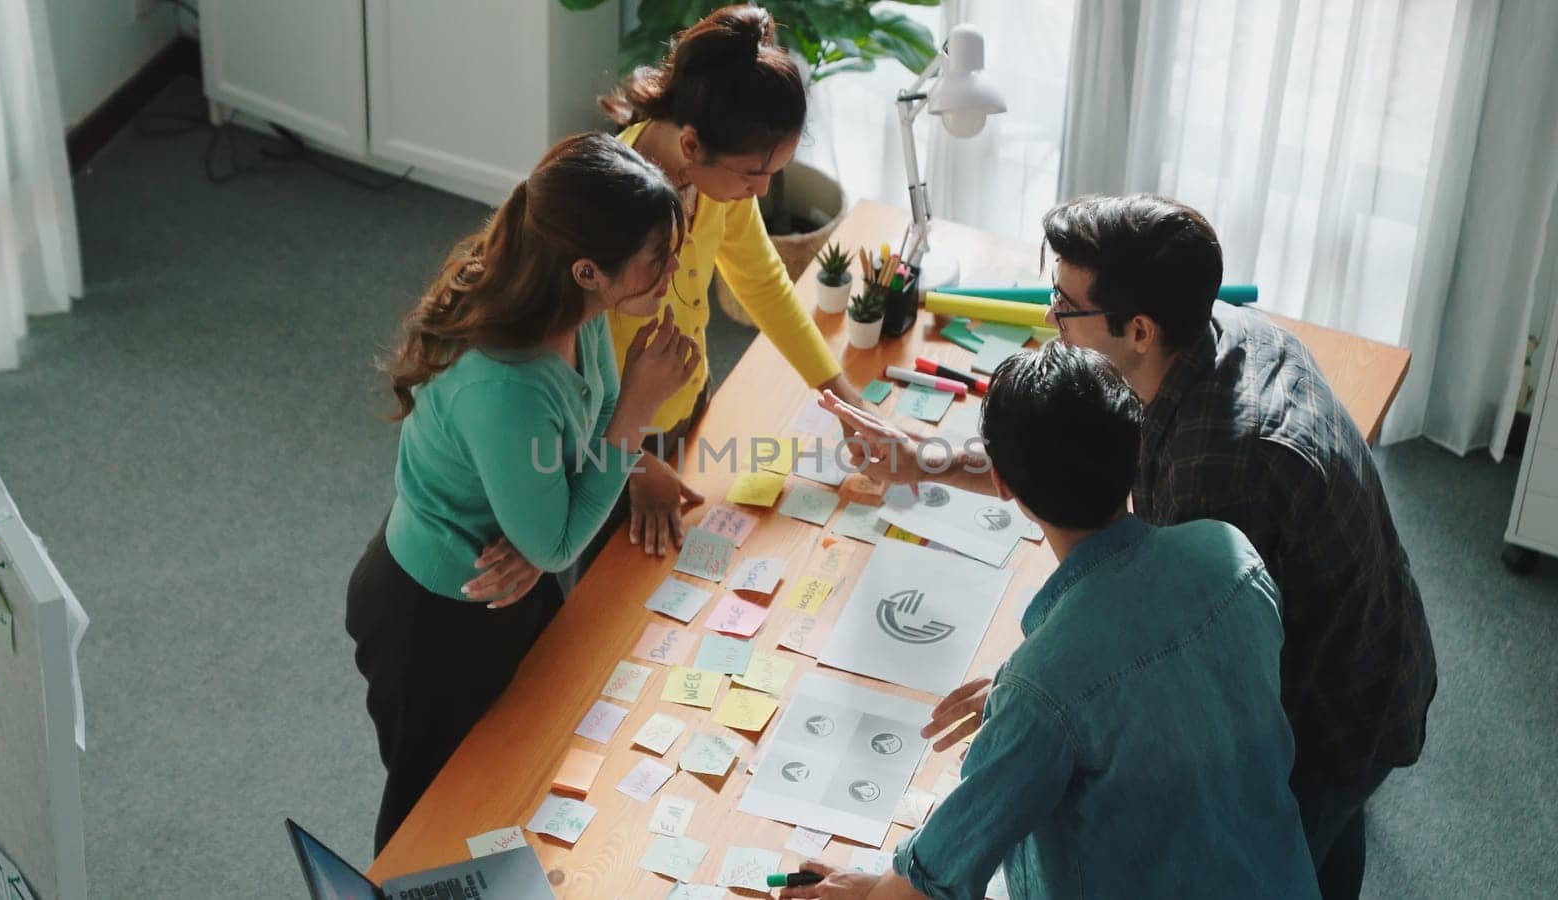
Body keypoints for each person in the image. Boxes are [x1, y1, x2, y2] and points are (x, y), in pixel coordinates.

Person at [820, 194, 1437, 900]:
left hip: (1333, 710)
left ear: (1137, 328)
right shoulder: (1208, 333)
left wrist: (1062, 689)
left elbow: (1154, 649)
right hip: (1350, 646)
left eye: (1064, 302)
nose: (1051, 317)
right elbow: (1088, 463)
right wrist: (922, 459)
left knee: (1291, 843)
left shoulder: (1218, 476)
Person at [783, 343, 1318, 900]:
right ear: (1137, 447)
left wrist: (870, 892)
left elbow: (932, 879)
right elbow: (1170, 688)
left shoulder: (1041, 692)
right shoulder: (1228, 552)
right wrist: (1049, 694)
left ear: (1003, 486)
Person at [344, 133, 700, 854]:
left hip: (505, 576)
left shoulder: (578, 312)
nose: (673, 270)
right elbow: (560, 537)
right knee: (429, 813)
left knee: (520, 768)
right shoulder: (506, 381)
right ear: (587, 270)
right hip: (435, 610)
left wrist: (556, 526)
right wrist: (637, 414)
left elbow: (582, 440)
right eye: (657, 258)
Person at [599, 4, 867, 556]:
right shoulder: (604, 205)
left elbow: (762, 279)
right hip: (607, 442)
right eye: (754, 174)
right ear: (693, 145)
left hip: (685, 404)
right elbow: (567, 369)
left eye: (773, 173)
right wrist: (634, 464)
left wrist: (839, 395)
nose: (764, 191)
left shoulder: (713, 183)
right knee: (606, 585)